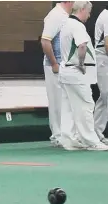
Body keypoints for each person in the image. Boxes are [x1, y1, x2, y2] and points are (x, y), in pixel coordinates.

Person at [59, 1, 108, 151]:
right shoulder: (78, 26)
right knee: (86, 106)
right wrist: (81, 63)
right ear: (82, 9)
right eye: (88, 12)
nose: (89, 15)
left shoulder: (65, 24)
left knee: (68, 108)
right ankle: (91, 141)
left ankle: (68, 140)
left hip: (65, 71)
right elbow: (82, 45)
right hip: (76, 72)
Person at [40, 1, 74, 147]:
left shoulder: (65, 15)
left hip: (64, 65)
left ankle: (65, 134)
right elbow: (45, 41)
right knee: (57, 101)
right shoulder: (56, 15)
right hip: (55, 66)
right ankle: (58, 136)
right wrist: (54, 63)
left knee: (65, 101)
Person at [93, 6, 108, 145]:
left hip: (104, 58)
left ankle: (96, 132)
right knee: (106, 95)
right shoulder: (107, 16)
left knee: (104, 98)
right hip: (103, 58)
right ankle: (95, 133)